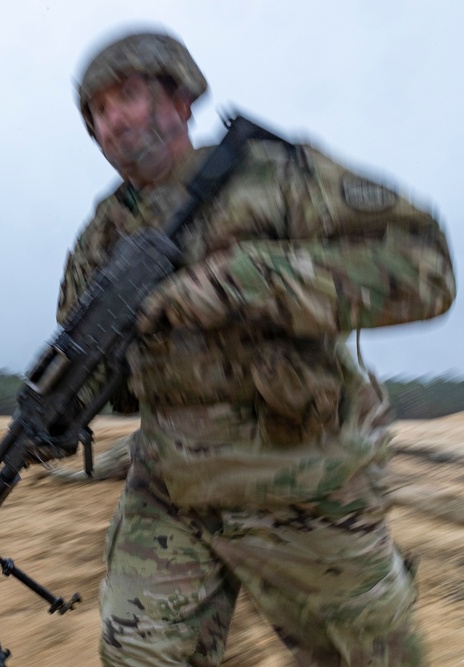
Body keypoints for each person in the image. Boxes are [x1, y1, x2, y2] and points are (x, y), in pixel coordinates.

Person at [56, 30, 456, 665]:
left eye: (127, 96)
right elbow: (99, 372)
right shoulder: (101, 237)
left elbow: (427, 269)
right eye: (98, 112)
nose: (114, 121)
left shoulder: (273, 175)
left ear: (181, 97)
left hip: (301, 479)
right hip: (171, 490)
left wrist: (256, 280)